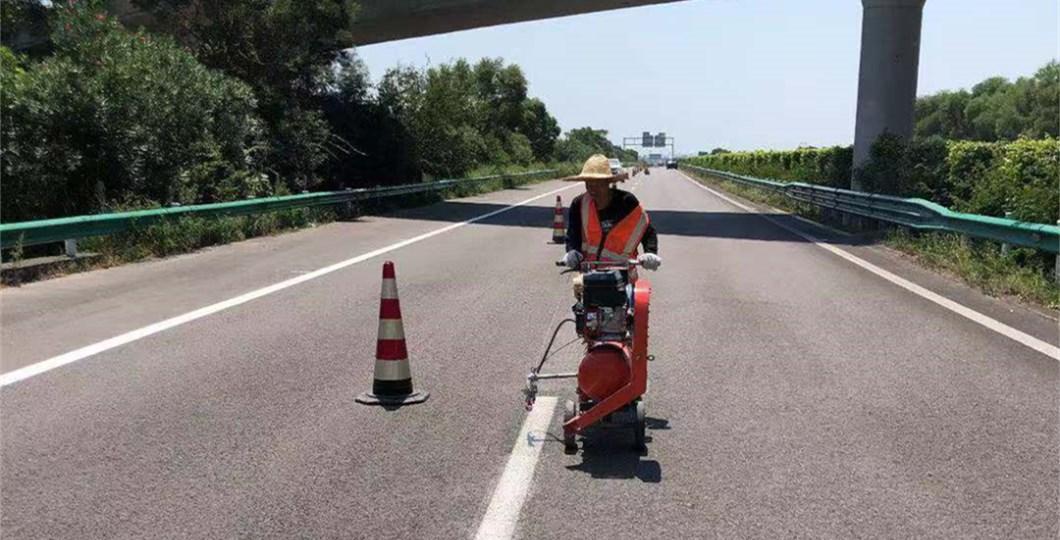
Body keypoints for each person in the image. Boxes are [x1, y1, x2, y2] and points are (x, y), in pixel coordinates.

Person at [559, 154, 661, 272]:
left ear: (608, 182)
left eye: (598, 183)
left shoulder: (626, 202)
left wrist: (650, 253)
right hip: (589, 273)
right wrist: (572, 251)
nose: (592, 188)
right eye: (588, 183)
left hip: (622, 273)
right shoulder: (579, 204)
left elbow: (647, 230)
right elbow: (573, 234)